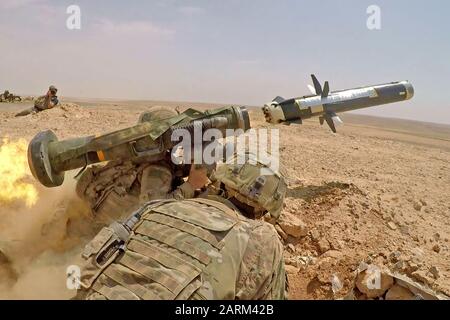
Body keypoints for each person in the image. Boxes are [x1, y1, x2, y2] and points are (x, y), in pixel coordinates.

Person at [74, 153, 287, 300]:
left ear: (220, 183)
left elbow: (92, 268)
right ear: (266, 210)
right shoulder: (262, 238)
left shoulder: (158, 207)